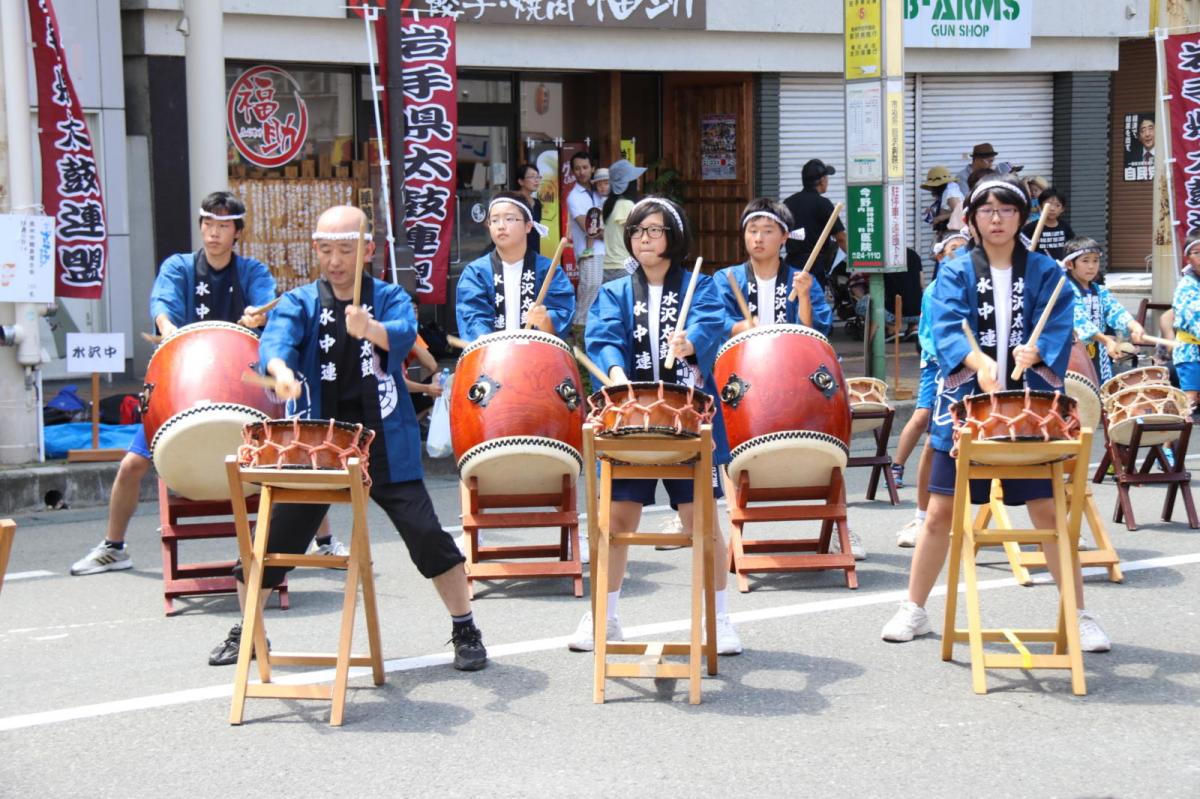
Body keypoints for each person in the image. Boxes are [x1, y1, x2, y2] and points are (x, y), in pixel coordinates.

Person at [207, 205, 488, 671]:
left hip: (384, 442)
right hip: (318, 444)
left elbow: (403, 333)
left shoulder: (391, 296)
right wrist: (278, 372)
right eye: (326, 249)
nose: (335, 260)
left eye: (346, 249)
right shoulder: (300, 302)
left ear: (368, 250)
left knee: (425, 535)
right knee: (270, 540)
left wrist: (371, 329)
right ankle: (249, 630)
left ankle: (465, 626)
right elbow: (275, 344)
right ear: (315, 250)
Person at [880, 175, 1112, 653]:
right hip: (966, 408)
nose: (997, 218)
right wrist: (978, 360)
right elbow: (945, 324)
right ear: (972, 218)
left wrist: (1040, 352)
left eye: (1007, 210)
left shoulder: (1046, 272)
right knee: (941, 513)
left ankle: (1078, 613)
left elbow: (1060, 318)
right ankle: (914, 608)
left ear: (1022, 216)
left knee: (1048, 510)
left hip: (1029, 412)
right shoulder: (956, 271)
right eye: (986, 210)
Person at [70, 191, 285, 576]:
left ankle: (321, 543)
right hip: (183, 389)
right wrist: (167, 326)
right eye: (208, 224)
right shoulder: (180, 267)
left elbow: (266, 304)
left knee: (287, 459)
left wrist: (259, 316)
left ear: (237, 232)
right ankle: (114, 546)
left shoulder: (252, 272)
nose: (214, 233)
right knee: (132, 465)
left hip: (238, 389)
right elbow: (162, 305)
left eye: (223, 226)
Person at [567, 196, 742, 656]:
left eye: (655, 230)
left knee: (700, 521)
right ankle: (606, 615)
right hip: (631, 420)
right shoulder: (616, 292)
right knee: (617, 520)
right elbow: (603, 336)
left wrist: (691, 343)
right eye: (638, 230)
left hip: (687, 419)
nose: (645, 238)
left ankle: (719, 619)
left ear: (674, 237)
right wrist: (616, 375)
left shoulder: (699, 287)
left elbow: (712, 324)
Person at [893, 231, 968, 547]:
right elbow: (927, 334)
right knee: (925, 420)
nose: (959, 253)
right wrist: (945, 356)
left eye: (964, 248)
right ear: (941, 256)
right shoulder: (935, 290)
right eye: (953, 249)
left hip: (968, 369)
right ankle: (898, 467)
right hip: (938, 365)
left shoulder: (975, 286)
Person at [455, 190, 576, 343]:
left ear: (528, 226)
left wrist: (545, 321)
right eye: (494, 220)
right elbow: (473, 321)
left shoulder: (549, 271)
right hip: (492, 361)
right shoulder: (476, 273)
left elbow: (559, 325)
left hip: (537, 361)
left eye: (509, 219)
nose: (501, 226)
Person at [716, 198, 832, 336]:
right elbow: (714, 320)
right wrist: (739, 328)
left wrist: (804, 297)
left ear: (784, 236)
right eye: (752, 231)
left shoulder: (803, 282)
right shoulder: (727, 278)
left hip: (789, 356)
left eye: (768, 231)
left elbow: (814, 334)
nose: (758, 238)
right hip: (742, 356)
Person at [1064, 236, 1145, 384]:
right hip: (1073, 353)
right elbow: (1079, 320)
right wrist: (1107, 340)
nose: (1091, 266)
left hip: (1099, 353)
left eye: (1095, 260)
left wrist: (1134, 326)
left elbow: (1116, 311)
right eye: (1085, 260)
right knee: (1078, 394)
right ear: (1070, 264)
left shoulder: (1100, 291)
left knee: (1100, 393)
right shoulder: (1065, 290)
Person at [783, 159, 847, 289]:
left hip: (791, 264)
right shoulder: (823, 204)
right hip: (814, 266)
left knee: (793, 302)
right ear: (822, 180)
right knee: (812, 303)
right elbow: (840, 238)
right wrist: (856, 262)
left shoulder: (788, 203)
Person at [567, 151, 605, 326]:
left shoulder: (601, 191)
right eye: (577, 168)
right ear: (572, 172)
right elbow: (589, 228)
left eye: (585, 167)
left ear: (592, 168)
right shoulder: (573, 196)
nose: (581, 172)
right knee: (589, 290)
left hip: (608, 252)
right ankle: (578, 331)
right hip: (589, 253)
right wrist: (614, 234)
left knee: (604, 294)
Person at [601, 159, 646, 282]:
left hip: (607, 267)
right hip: (622, 267)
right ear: (629, 184)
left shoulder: (609, 204)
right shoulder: (626, 205)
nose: (638, 181)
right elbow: (639, 236)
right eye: (634, 179)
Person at [1172, 235, 1200, 411]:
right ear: (1187, 258)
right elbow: (1195, 318)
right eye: (1197, 253)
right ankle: (1171, 438)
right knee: (1190, 400)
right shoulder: (1187, 285)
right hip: (1190, 352)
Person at [1021, 188, 1074, 262]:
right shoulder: (1031, 227)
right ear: (1040, 206)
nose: (1052, 209)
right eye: (1048, 204)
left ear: (1062, 209)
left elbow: (1072, 247)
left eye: (1057, 205)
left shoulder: (1065, 226)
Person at [921, 166, 964, 239]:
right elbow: (947, 210)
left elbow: (960, 212)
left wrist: (940, 218)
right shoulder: (945, 192)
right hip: (947, 232)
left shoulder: (951, 193)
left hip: (955, 233)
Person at [515, 163, 544, 256]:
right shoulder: (514, 201)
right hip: (516, 252)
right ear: (521, 181)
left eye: (538, 177)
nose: (536, 180)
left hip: (534, 251)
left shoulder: (537, 203)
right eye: (532, 177)